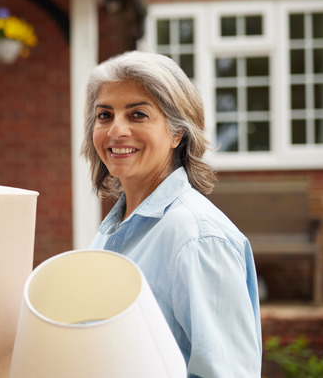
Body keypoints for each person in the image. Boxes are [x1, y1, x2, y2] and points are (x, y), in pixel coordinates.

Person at [81, 51, 262, 377]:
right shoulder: (112, 230)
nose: (116, 131)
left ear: (177, 132)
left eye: (137, 115)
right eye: (104, 115)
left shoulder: (198, 238)